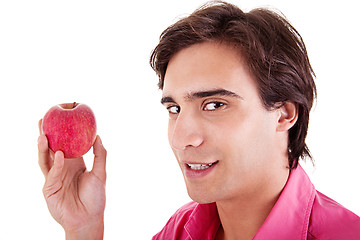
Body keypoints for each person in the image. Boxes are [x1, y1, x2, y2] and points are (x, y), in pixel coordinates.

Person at [38, 1, 360, 239]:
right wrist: (83, 228)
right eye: (174, 108)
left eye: (214, 104)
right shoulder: (180, 230)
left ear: (285, 113)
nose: (181, 139)